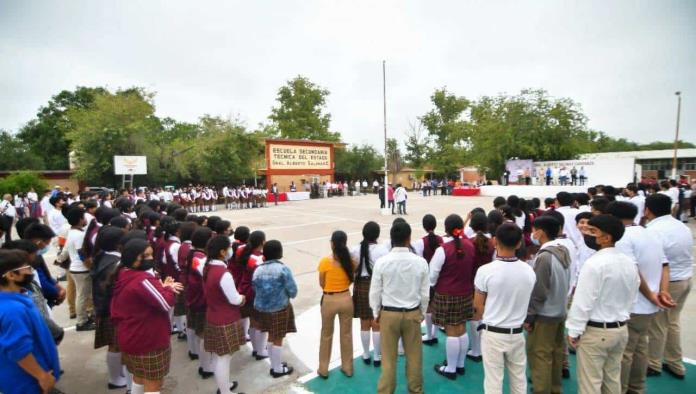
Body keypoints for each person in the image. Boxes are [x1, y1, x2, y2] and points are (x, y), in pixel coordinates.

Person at [566, 215, 640, 394]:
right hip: (620, 329)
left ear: (606, 238)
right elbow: (633, 297)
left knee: (590, 383)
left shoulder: (594, 264)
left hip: (596, 331)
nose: (587, 233)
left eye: (593, 231)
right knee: (612, 379)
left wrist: (574, 331)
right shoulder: (628, 262)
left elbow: (583, 302)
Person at [606, 201, 674, 393]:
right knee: (640, 348)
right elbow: (665, 265)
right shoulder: (649, 233)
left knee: (624, 352)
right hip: (647, 305)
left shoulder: (624, 238)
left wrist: (652, 295)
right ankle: (637, 387)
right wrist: (663, 292)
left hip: (633, 304)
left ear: (612, 218)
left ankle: (621, 388)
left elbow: (632, 271)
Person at [111, 239, 183, 394]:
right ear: (132, 258)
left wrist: (162, 288)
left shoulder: (124, 273)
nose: (150, 259)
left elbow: (148, 297)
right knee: (153, 385)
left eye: (151, 254)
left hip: (131, 337)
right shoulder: (142, 279)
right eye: (145, 256)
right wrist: (169, 289)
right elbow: (165, 303)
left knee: (139, 377)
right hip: (147, 340)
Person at [473, 223, 535, 394]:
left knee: (493, 381)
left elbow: (478, 306)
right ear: (519, 243)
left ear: (495, 241)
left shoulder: (485, 271)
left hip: (493, 332)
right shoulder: (529, 271)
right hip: (516, 332)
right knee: (518, 379)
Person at [369, 221, 429, 394]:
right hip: (412, 313)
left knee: (388, 359)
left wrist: (376, 312)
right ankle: (415, 389)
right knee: (414, 357)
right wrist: (422, 312)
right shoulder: (420, 262)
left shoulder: (382, 262)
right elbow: (425, 293)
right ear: (409, 239)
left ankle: (386, 391)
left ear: (391, 239)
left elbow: (375, 292)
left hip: (388, 314)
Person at [644, 193, 693, 379]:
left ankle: (653, 364)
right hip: (685, 280)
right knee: (672, 323)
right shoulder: (681, 226)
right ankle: (675, 363)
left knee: (657, 325)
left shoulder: (653, 230)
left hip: (668, 283)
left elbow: (656, 260)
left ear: (647, 209)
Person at [0, 249, 61, 394]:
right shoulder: (12, 310)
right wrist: (42, 376)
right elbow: (18, 349)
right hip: (28, 382)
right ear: (11, 275)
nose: (30, 271)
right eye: (26, 268)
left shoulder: (19, 298)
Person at [525, 216, 571, 394]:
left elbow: (539, 291)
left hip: (545, 315)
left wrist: (529, 316)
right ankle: (554, 388)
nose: (533, 234)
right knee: (555, 354)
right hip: (559, 311)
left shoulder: (544, 257)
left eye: (534, 230)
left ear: (541, 232)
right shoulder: (562, 251)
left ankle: (541, 389)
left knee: (540, 355)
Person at [429, 214, 476, 380]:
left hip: (447, 294)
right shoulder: (470, 245)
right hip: (466, 293)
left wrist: (435, 285)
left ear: (446, 229)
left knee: (451, 331)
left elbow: (432, 275)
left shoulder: (443, 249)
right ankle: (460, 364)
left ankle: (450, 368)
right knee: (461, 328)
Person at [203, 235, 246, 394]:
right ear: (222, 252)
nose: (230, 251)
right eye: (228, 248)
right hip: (225, 319)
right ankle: (225, 391)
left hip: (213, 315)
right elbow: (234, 299)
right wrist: (242, 298)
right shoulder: (223, 273)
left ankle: (224, 385)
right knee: (224, 358)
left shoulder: (208, 267)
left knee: (218, 356)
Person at [252, 240, 298, 378]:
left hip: (261, 309)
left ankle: (274, 365)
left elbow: (254, 288)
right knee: (277, 338)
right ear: (280, 253)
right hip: (279, 308)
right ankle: (277, 369)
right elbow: (293, 291)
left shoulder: (257, 269)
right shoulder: (283, 269)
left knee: (271, 337)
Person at [90, 226, 128, 390]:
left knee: (115, 344)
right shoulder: (115, 263)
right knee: (116, 344)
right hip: (111, 309)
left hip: (105, 307)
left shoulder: (102, 256)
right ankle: (115, 378)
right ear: (118, 244)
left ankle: (118, 375)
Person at [317, 230, 355, 378]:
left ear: (332, 244)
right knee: (346, 335)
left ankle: (323, 368)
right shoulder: (350, 261)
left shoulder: (325, 261)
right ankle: (347, 367)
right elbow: (351, 278)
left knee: (326, 334)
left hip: (329, 299)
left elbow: (321, 282)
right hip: (346, 297)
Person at [349, 222, 386, 366]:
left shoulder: (355, 249)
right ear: (377, 234)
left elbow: (352, 268)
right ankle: (377, 355)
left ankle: (365, 354)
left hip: (361, 286)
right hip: (377, 286)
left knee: (364, 323)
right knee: (376, 323)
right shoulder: (382, 250)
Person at [183, 226, 214, 377]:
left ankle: (203, 362)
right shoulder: (200, 259)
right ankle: (206, 367)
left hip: (193, 298)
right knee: (204, 336)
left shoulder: (193, 254)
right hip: (201, 301)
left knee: (198, 332)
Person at [411, 214, 443, 345]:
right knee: (435, 307)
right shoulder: (442, 239)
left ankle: (430, 335)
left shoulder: (420, 242)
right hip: (440, 277)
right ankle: (434, 333)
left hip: (427, 278)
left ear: (424, 226)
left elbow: (418, 261)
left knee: (428, 308)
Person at [62, 207, 94, 331]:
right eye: (84, 217)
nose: (86, 219)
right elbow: (82, 254)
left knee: (83, 295)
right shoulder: (79, 235)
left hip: (75, 268)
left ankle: (84, 317)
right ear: (80, 219)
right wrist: (90, 267)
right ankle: (82, 322)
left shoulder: (72, 232)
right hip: (81, 269)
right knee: (82, 296)